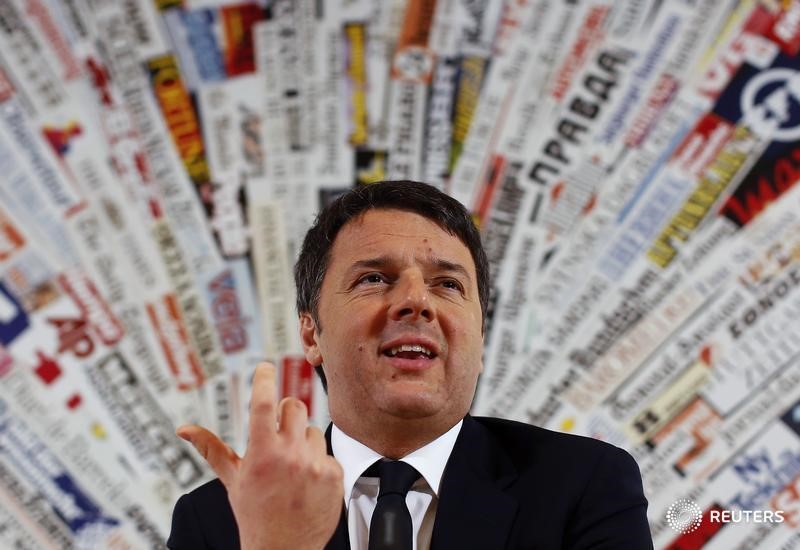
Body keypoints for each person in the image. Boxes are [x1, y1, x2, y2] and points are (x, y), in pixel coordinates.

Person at [168, 180, 653, 549]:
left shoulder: (585, 485)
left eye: (447, 285)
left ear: (480, 340)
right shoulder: (216, 521)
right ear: (312, 333)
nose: (416, 302)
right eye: (375, 278)